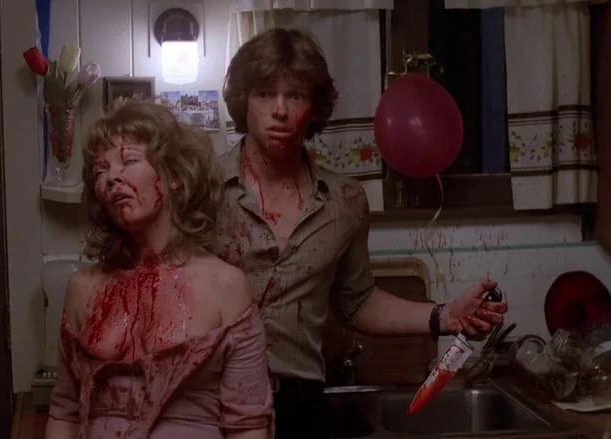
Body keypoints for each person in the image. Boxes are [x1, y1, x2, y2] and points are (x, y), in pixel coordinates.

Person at [214, 27, 509, 438]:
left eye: (295, 96)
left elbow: (358, 302)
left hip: (300, 403)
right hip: (208, 400)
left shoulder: (345, 200)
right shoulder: (201, 188)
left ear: (314, 107)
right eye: (265, 94)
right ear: (243, 101)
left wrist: (444, 316)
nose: (279, 110)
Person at [45, 101, 273, 439]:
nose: (112, 178)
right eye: (100, 171)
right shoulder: (83, 288)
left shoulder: (225, 286)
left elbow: (248, 424)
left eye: (129, 161)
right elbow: (64, 412)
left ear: (175, 176)